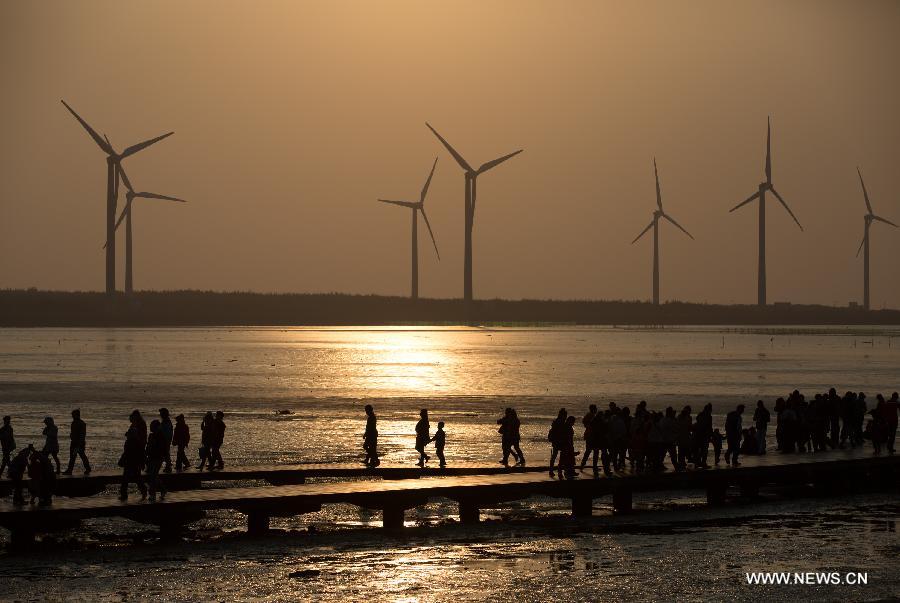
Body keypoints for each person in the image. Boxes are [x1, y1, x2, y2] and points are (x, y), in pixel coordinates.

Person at [119, 410, 148, 501]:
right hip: (132, 453)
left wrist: (131, 436)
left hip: (135, 454)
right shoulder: (137, 424)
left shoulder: (139, 425)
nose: (130, 419)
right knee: (132, 475)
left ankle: (141, 490)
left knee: (132, 475)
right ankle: (126, 493)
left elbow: (140, 440)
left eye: (131, 417)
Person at [62, 409, 91, 475]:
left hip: (79, 443)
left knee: (81, 456)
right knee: (74, 456)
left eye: (73, 415)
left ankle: (87, 469)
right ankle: (70, 470)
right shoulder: (75, 423)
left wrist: (80, 443)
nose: (72, 416)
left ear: (76, 415)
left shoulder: (81, 423)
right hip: (74, 442)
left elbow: (82, 434)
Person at [145, 420, 168, 501]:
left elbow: (164, 449)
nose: (151, 427)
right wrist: (146, 454)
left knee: (153, 476)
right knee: (153, 476)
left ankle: (152, 495)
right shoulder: (151, 436)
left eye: (152, 426)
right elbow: (148, 446)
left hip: (158, 458)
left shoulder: (161, 436)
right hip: (151, 458)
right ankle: (163, 489)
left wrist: (166, 459)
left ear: (157, 427)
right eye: (151, 426)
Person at [547, 408, 567, 477]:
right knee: (561, 457)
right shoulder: (561, 422)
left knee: (554, 456)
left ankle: (551, 470)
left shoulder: (556, 421)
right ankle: (559, 471)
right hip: (559, 441)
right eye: (565, 415)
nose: (566, 416)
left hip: (556, 441)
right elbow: (562, 433)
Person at [579, 404, 597, 469]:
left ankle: (582, 465)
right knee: (594, 451)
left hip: (589, 435)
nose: (596, 410)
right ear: (593, 409)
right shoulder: (592, 416)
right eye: (595, 409)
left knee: (588, 451)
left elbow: (584, 422)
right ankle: (593, 466)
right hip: (591, 436)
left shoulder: (589, 415)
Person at [159, 408, 174, 473]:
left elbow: (167, 433)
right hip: (165, 440)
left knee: (165, 454)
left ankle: (168, 467)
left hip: (165, 440)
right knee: (165, 454)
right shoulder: (166, 421)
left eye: (161, 413)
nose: (160, 415)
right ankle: (168, 466)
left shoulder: (166, 421)